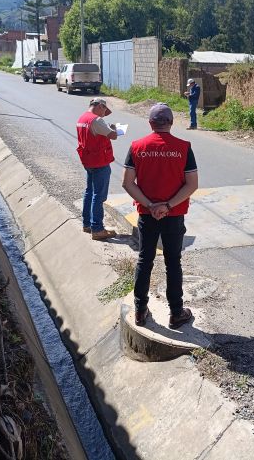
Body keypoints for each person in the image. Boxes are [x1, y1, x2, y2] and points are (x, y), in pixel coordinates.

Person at [122, 103, 198, 329]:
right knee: (173, 261)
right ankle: (176, 313)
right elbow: (192, 184)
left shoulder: (137, 146)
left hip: (147, 214)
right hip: (174, 215)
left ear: (150, 123)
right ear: (171, 123)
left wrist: (151, 205)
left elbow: (127, 183)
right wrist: (168, 205)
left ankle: (140, 310)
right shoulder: (184, 147)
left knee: (145, 260)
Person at [76, 98, 119, 239]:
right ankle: (97, 229)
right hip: (99, 161)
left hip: (88, 160)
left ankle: (87, 224)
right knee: (98, 196)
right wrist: (114, 128)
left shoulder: (82, 118)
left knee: (89, 192)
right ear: (100, 106)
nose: (104, 114)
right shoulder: (96, 120)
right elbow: (113, 136)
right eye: (104, 111)